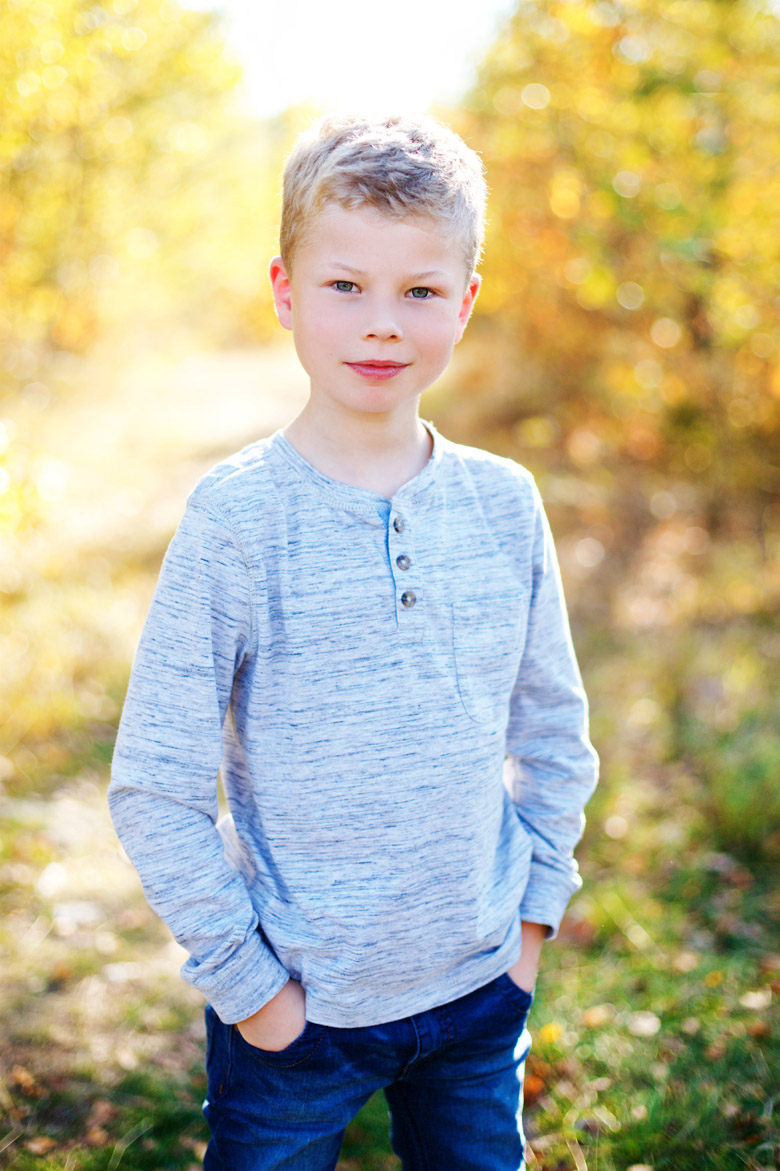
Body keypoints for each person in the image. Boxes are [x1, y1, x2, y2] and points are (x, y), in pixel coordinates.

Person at [108, 113, 598, 1171]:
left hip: (481, 987)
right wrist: (253, 990)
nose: (382, 325)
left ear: (465, 301)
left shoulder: (504, 502)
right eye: (345, 285)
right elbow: (155, 785)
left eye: (419, 291)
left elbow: (552, 727)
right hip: (299, 1013)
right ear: (285, 290)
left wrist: (531, 923)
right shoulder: (239, 519)